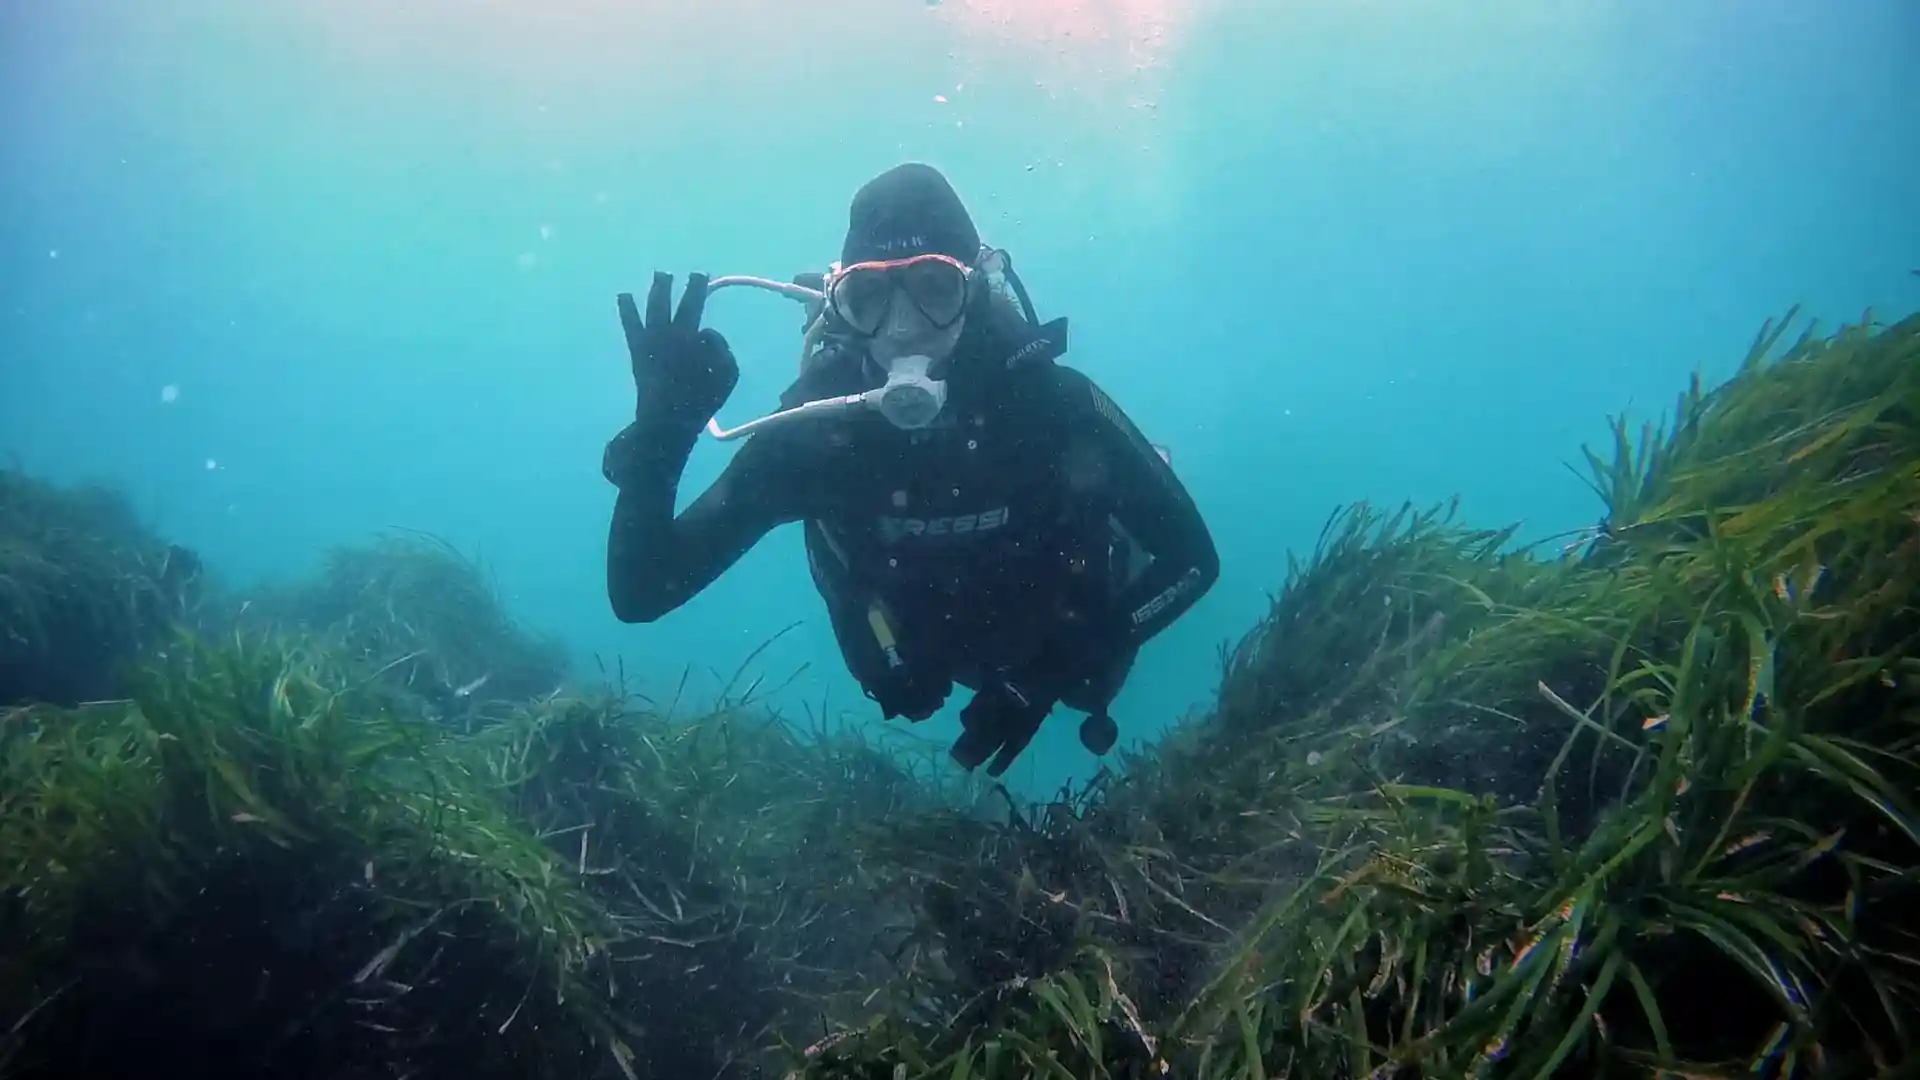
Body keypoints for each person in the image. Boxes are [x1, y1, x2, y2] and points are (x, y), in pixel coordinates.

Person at [601, 163, 1218, 777]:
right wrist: (665, 433)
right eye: (869, 297)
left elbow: (1192, 562)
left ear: (973, 291)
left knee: (1091, 684)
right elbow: (644, 591)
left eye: (934, 288)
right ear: (840, 306)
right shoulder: (818, 435)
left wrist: (1046, 675)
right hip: (913, 641)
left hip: (1059, 623)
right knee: (906, 690)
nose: (902, 329)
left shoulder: (1052, 406)